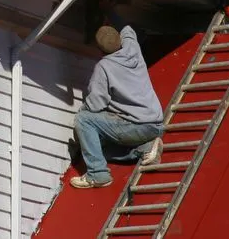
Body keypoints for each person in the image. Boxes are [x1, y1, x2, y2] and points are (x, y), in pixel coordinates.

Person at [69, 22, 165, 189]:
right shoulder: (132, 47)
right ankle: (147, 148)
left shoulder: (104, 67)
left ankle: (97, 174)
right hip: (155, 125)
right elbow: (127, 28)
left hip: (135, 127)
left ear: (100, 50)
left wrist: (82, 112)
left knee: (84, 120)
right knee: (100, 150)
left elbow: (96, 104)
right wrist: (109, 16)